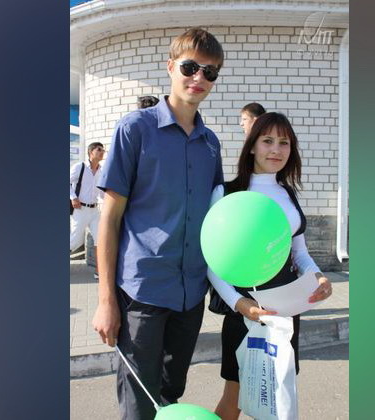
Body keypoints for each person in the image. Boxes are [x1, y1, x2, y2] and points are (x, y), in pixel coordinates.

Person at [91, 28, 225, 420]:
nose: (199, 78)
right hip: (142, 293)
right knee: (139, 406)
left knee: (170, 397)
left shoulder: (211, 144)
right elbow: (109, 219)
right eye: (190, 67)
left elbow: (217, 219)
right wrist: (105, 301)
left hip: (190, 295)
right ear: (170, 67)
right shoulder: (135, 129)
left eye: (210, 72)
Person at [207, 112, 333, 420]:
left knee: (278, 395)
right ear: (252, 146)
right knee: (236, 395)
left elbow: (299, 253)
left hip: (285, 311)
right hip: (245, 309)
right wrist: (240, 304)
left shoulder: (288, 194)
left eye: (284, 143)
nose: (276, 150)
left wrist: (318, 277)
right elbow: (212, 262)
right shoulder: (227, 193)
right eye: (267, 141)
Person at [70, 141, 105, 278]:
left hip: (95, 211)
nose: (102, 152)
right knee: (75, 241)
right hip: (80, 209)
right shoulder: (80, 167)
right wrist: (73, 198)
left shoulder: (101, 171)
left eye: (103, 150)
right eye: (99, 149)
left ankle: (99, 272)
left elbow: (101, 193)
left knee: (99, 240)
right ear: (91, 152)